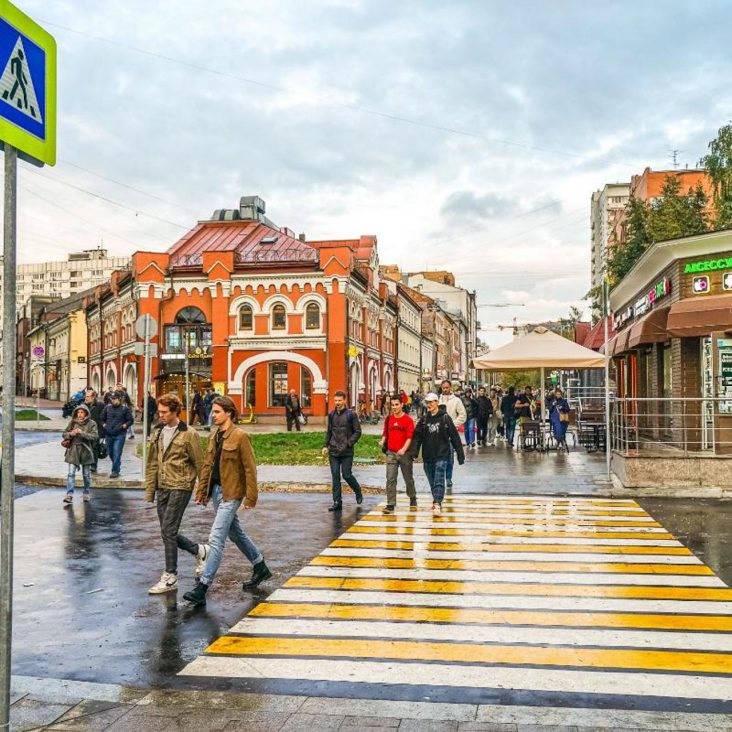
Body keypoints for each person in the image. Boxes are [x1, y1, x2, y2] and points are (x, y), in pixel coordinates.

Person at [183, 396, 271, 607]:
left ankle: (202, 587)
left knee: (216, 539)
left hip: (231, 494)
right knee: (235, 533)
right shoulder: (215, 435)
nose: (213, 415)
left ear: (229, 413)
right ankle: (260, 566)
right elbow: (208, 465)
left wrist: (251, 497)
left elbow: (250, 469)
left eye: (217, 412)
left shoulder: (240, 437)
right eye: (213, 412)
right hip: (216, 492)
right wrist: (202, 491)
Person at [145, 393, 206, 594]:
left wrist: (202, 489)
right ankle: (199, 550)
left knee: (168, 529)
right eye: (159, 411)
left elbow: (199, 463)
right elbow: (152, 462)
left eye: (164, 412)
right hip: (163, 486)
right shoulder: (158, 432)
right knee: (167, 530)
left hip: (181, 485)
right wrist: (150, 492)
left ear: (174, 411)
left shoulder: (189, 434)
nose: (160, 415)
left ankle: (170, 576)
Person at [411, 392, 464, 515]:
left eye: (432, 402)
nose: (429, 404)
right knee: (432, 481)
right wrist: (414, 452)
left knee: (439, 479)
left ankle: (437, 503)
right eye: (428, 402)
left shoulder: (445, 418)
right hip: (428, 455)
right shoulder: (424, 419)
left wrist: (460, 455)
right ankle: (436, 499)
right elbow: (417, 437)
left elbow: (454, 436)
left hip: (442, 454)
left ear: (437, 403)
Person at [322, 390, 363, 512]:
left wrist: (349, 443)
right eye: (335, 401)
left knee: (346, 475)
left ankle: (357, 491)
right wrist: (325, 445)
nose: (337, 403)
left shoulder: (351, 415)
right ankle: (337, 502)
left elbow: (358, 432)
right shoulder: (332, 415)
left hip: (346, 451)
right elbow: (329, 431)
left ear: (344, 400)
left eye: (340, 400)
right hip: (333, 451)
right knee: (335, 476)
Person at [380, 394, 417, 514]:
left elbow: (409, 437)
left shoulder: (408, 420)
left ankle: (412, 497)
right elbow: (386, 432)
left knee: (408, 479)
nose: (394, 407)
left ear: (402, 404)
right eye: (393, 405)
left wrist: (403, 449)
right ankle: (390, 504)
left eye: (397, 405)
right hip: (391, 452)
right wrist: (382, 441)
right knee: (390, 478)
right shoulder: (389, 419)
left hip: (405, 454)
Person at [62, 404, 98, 505]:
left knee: (86, 475)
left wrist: (82, 433)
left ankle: (86, 492)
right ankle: (69, 495)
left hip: (86, 451)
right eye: (78, 412)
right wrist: (71, 434)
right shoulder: (73, 422)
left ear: (86, 413)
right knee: (71, 473)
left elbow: (94, 437)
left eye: (82, 412)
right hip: (73, 450)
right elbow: (64, 434)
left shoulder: (92, 423)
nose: (80, 414)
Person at [438, 380, 466, 488]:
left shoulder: (456, 401)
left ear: (450, 388)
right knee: (438, 456)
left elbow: (463, 415)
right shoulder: (437, 399)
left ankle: (448, 477)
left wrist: (452, 425)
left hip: (450, 433)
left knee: (449, 456)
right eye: (443, 387)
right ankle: (439, 477)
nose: (445, 389)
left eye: (447, 387)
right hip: (438, 432)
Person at [102, 391, 132, 478]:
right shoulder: (107, 408)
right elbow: (101, 418)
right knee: (110, 452)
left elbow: (130, 420)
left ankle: (114, 471)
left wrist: (125, 425)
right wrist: (103, 424)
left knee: (117, 452)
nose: (112, 400)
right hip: (109, 434)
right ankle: (117, 464)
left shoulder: (125, 409)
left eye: (114, 399)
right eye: (111, 399)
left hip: (120, 434)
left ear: (119, 399)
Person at [83, 389, 105, 473]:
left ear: (93, 397)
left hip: (96, 431)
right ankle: (87, 464)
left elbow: (104, 417)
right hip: (85, 431)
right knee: (86, 448)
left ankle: (93, 465)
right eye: (86, 396)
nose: (86, 398)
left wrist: (103, 429)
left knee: (94, 448)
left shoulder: (100, 405)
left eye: (88, 396)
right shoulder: (83, 406)